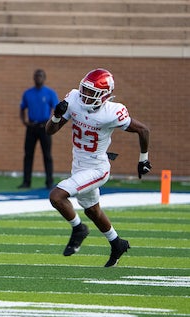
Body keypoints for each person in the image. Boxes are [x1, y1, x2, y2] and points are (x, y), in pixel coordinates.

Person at [46, 68, 151, 267]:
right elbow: (49, 131)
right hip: (78, 165)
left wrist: (143, 159)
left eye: (91, 93)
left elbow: (143, 130)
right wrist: (57, 116)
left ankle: (78, 230)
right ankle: (117, 243)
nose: (85, 95)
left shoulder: (112, 112)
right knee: (92, 211)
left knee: (56, 196)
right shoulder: (74, 99)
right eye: (84, 90)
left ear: (104, 96)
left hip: (97, 168)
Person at [18, 69, 59, 189]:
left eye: (40, 76)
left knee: (47, 155)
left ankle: (49, 182)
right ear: (33, 78)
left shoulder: (50, 93)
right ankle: (26, 182)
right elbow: (22, 108)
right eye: (36, 76)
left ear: (44, 78)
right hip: (32, 127)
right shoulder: (28, 93)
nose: (38, 78)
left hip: (44, 127)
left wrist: (51, 122)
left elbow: (56, 109)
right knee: (28, 155)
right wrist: (24, 121)